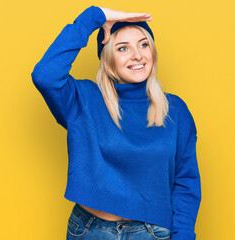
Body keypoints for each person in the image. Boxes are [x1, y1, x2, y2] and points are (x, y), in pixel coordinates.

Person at [31, 5, 201, 240]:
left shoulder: (175, 111)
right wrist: (94, 17)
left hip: (151, 233)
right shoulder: (84, 100)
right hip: (89, 231)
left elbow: (186, 182)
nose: (138, 55)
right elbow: (44, 75)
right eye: (123, 48)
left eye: (144, 44)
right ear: (107, 58)